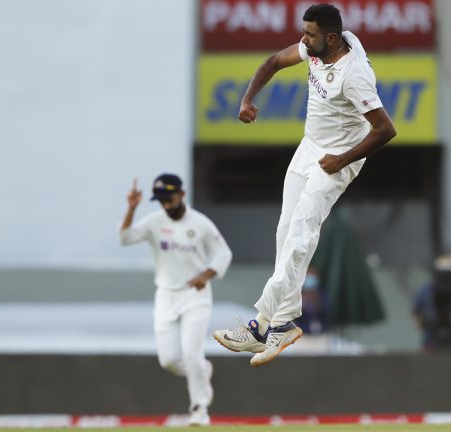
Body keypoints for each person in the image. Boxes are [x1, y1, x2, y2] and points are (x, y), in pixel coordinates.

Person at [213, 3, 396, 367]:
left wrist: (342, 160)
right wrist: (248, 98)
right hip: (309, 147)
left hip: (337, 157)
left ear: (330, 38)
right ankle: (285, 322)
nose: (303, 39)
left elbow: (385, 130)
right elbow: (273, 62)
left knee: (301, 232)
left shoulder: (354, 74)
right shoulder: (320, 46)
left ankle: (259, 324)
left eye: (310, 34)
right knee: (285, 233)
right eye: (304, 32)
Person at [119, 174, 232, 426]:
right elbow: (125, 238)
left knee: (192, 355)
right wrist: (131, 208)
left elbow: (223, 253)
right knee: (168, 360)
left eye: (169, 198)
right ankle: (203, 371)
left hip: (195, 295)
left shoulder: (201, 224)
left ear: (181, 194)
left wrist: (205, 274)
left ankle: (199, 409)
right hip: (166, 296)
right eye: (161, 200)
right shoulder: (154, 222)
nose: (166, 204)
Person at [412, 255, 451, 351]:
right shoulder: (426, 290)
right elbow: (416, 310)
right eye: (442, 274)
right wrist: (423, 323)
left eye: (448, 274)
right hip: (431, 340)